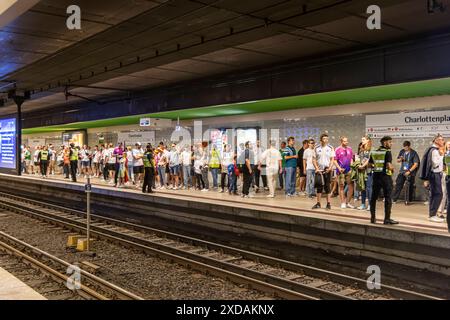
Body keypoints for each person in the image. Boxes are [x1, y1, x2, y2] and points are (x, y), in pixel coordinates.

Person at [369, 136, 398, 225]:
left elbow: (370, 165)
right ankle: (387, 219)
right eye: (390, 142)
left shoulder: (374, 151)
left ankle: (373, 218)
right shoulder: (387, 152)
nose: (391, 144)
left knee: (373, 198)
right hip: (385, 177)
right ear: (384, 143)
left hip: (376, 177)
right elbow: (389, 165)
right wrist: (392, 169)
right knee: (388, 197)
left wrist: (377, 167)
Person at [420, 134, 446, 223]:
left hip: (436, 174)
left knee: (434, 194)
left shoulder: (434, 149)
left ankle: (432, 214)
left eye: (443, 139)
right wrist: (442, 155)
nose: (443, 141)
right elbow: (435, 163)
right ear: (436, 141)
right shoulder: (434, 151)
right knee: (438, 194)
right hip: (434, 174)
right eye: (441, 139)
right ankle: (432, 215)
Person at [312, 133, 335, 210]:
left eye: (327, 139)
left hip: (327, 170)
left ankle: (328, 204)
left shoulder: (331, 148)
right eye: (324, 139)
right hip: (319, 170)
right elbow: (314, 159)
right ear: (321, 139)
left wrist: (330, 167)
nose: (326, 140)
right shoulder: (316, 148)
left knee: (327, 187)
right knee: (319, 187)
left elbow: (332, 159)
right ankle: (318, 203)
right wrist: (316, 168)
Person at [335, 136, 355, 209]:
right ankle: (342, 202)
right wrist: (339, 168)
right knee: (341, 186)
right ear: (341, 142)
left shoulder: (350, 149)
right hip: (341, 171)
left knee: (351, 186)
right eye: (345, 141)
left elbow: (352, 159)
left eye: (347, 141)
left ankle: (348, 202)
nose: (346, 142)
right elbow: (334, 160)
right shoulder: (337, 149)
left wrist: (352, 167)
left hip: (349, 170)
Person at [357, 136, 372, 210]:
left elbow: (369, 159)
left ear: (368, 140)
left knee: (369, 188)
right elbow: (359, 159)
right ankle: (363, 204)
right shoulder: (361, 149)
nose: (362, 141)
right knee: (363, 188)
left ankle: (370, 204)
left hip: (369, 171)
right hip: (362, 171)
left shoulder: (371, 150)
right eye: (361, 139)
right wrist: (358, 165)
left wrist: (363, 165)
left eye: (363, 139)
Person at [439, 141, 450, 216]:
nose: (449, 145)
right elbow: (443, 166)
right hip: (446, 175)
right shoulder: (444, 154)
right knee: (444, 193)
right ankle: (440, 211)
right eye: (448, 144)